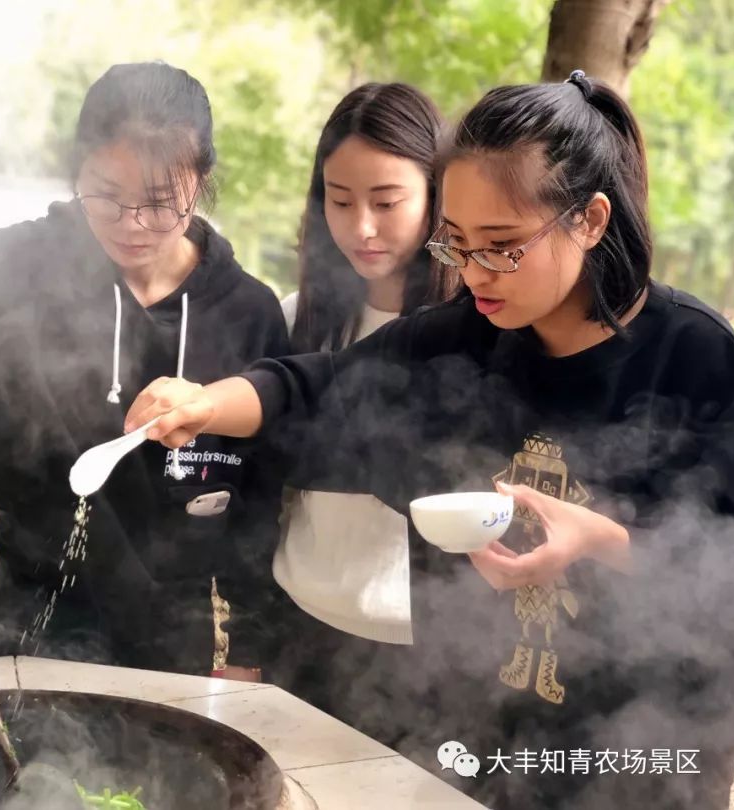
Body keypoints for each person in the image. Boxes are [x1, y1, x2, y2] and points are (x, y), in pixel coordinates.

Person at [125, 72, 734, 808]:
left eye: (503, 247)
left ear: (591, 219)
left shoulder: (699, 357)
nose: (475, 273)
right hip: (480, 745)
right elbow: (319, 390)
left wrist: (603, 540)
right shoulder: (463, 338)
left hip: (642, 759)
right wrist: (205, 402)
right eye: (456, 245)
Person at [0, 62, 290, 678]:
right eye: (106, 196)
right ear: (76, 171)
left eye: (159, 203)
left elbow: (261, 503)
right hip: (34, 624)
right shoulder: (10, 272)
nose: (132, 225)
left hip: (175, 640)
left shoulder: (246, 312)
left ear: (199, 182)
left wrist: (251, 650)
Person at [272, 83, 445, 723]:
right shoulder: (299, 323)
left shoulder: (477, 335)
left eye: (387, 201)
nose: (361, 227)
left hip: (421, 651)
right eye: (340, 201)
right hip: (302, 630)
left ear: (436, 196)